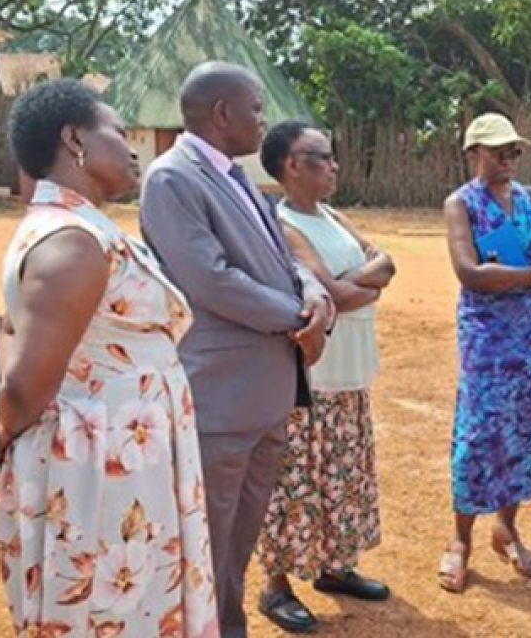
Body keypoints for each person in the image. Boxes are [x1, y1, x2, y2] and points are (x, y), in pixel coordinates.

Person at [0, 79, 219, 638]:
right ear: (75, 139)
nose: (134, 149)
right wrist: (7, 420)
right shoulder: (73, 243)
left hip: (119, 452)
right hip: (100, 471)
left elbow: (21, 342)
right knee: (114, 610)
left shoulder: (81, 230)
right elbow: (25, 389)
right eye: (119, 133)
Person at [139, 62, 334, 638]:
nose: (262, 118)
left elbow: (284, 259)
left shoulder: (235, 176)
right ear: (222, 114)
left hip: (264, 397)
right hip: (221, 401)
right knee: (209, 545)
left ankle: (229, 625)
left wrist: (315, 294)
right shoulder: (171, 179)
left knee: (237, 545)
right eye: (255, 107)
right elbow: (211, 279)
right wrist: (299, 321)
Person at [254, 121, 396, 633]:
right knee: (295, 482)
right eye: (322, 157)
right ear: (292, 165)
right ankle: (275, 587)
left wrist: (350, 285)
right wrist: (356, 285)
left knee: (343, 475)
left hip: (350, 371)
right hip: (311, 380)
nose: (334, 165)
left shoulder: (331, 215)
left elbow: (385, 262)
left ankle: (335, 567)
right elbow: (331, 295)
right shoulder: (282, 224)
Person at [437, 113, 531, 593]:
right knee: (481, 430)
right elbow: (470, 273)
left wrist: (518, 274)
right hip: (487, 338)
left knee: (526, 426)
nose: (509, 160)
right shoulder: (461, 204)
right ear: (473, 153)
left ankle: (506, 527)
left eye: (514, 152)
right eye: (498, 152)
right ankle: (459, 540)